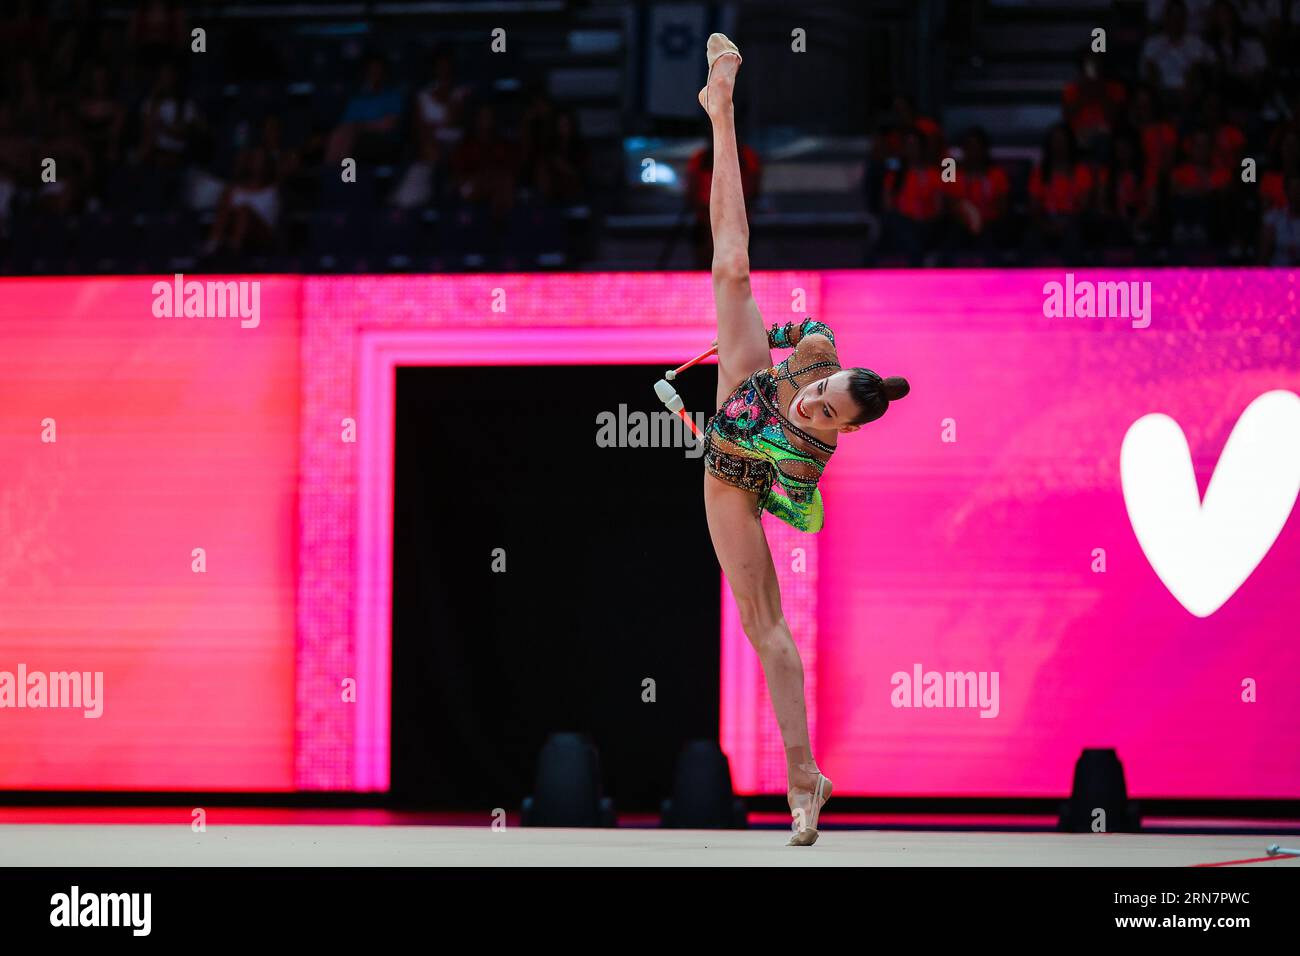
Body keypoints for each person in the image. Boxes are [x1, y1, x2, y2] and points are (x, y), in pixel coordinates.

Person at [694, 33, 910, 846]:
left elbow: (798, 512)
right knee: (734, 269)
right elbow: (805, 327)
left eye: (825, 412)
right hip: (743, 384)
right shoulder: (818, 356)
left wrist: (759, 449)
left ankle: (803, 775)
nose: (816, 403)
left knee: (771, 637)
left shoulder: (808, 459)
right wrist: (759, 337)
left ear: (839, 434)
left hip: (732, 479)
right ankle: (722, 109)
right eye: (821, 393)